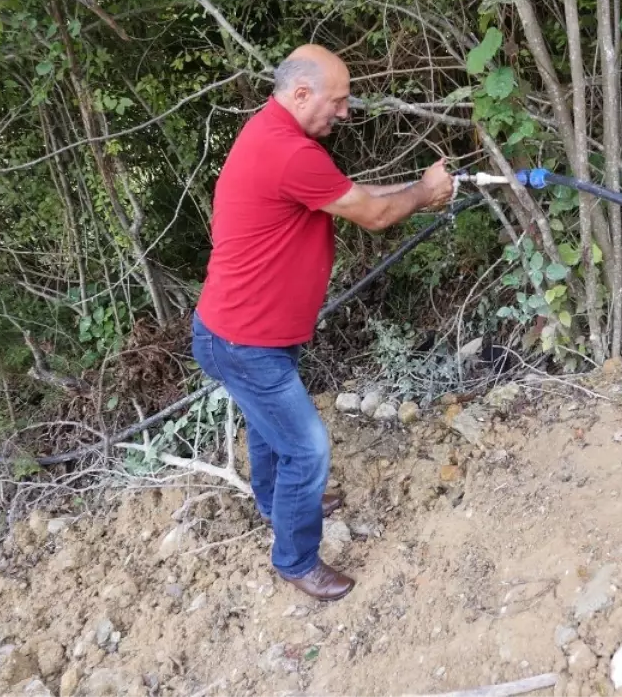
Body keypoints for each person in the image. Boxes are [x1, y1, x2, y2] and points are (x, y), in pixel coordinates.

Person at [190, 44, 455, 601]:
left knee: (270, 432)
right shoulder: (289, 153)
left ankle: (278, 503)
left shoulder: (274, 136)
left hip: (245, 331)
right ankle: (295, 560)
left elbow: (355, 200)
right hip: (243, 341)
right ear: (301, 93)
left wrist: (419, 195)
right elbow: (376, 215)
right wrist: (424, 192)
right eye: (337, 101)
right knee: (307, 448)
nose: (345, 112)